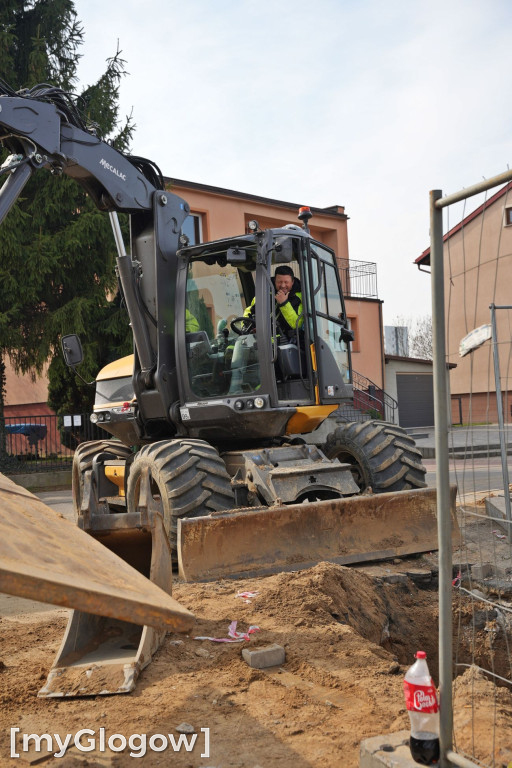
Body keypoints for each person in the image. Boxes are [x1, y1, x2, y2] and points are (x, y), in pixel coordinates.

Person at [243, 265, 302, 340]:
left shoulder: (299, 297)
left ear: (292, 282)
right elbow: (249, 311)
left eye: (286, 282)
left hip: (286, 343)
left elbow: (296, 325)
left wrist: (284, 303)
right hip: (260, 341)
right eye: (279, 282)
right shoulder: (265, 292)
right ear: (275, 281)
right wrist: (250, 327)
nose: (283, 285)